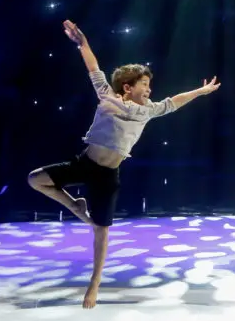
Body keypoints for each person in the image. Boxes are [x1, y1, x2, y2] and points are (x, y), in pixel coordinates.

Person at [27, 19, 221, 308]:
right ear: (127, 87)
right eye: (145, 84)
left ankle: (94, 284)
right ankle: (75, 206)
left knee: (101, 231)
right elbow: (94, 69)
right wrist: (83, 43)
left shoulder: (150, 110)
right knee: (35, 179)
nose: (150, 89)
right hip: (85, 163)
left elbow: (175, 101)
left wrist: (200, 92)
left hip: (107, 175)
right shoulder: (107, 96)